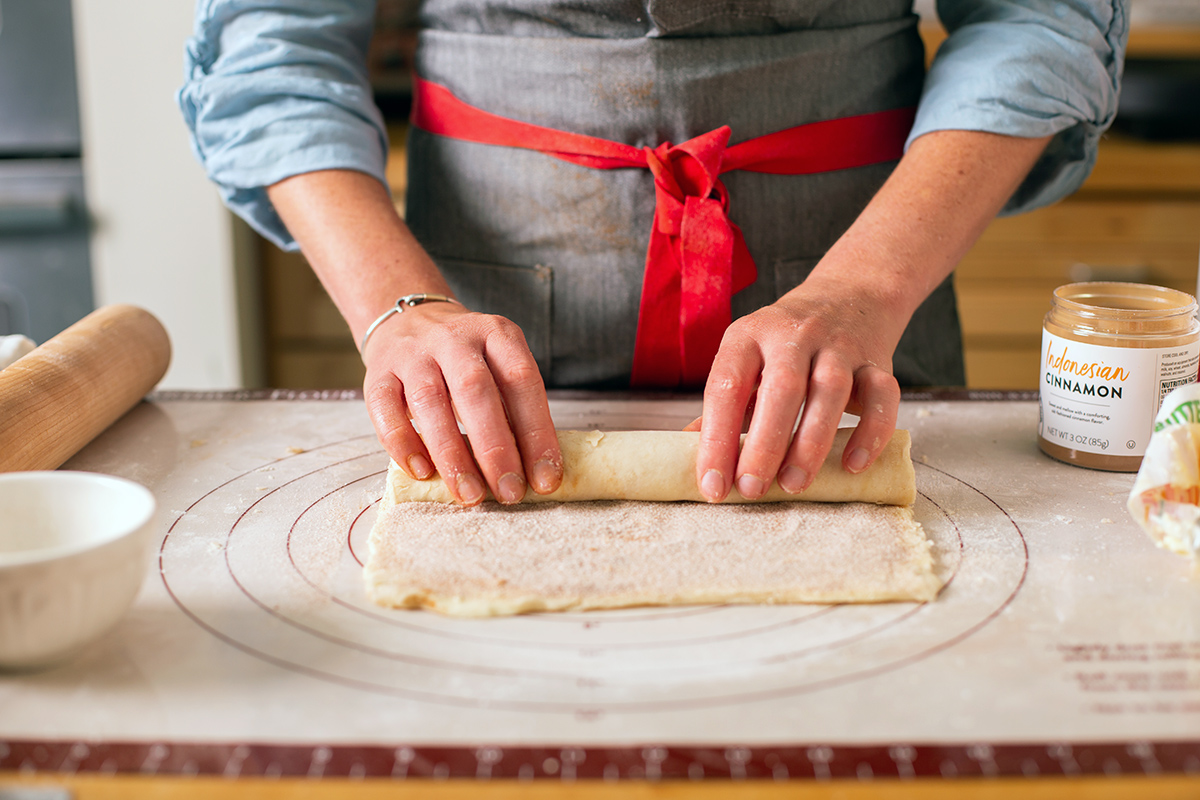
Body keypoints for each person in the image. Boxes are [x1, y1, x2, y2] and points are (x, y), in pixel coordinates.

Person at [180, 0, 1126, 505]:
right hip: (481, 335)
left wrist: (867, 284)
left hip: (865, 303)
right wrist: (400, 308)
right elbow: (274, 54)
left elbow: (1039, 14)